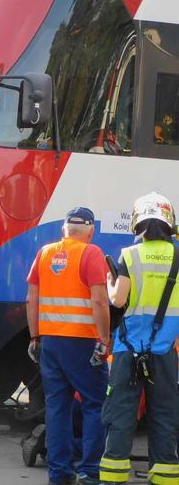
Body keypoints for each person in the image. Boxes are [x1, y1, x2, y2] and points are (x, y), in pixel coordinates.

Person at [26, 207, 111, 485]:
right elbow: (99, 301)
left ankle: (60, 473)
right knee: (94, 404)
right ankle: (89, 470)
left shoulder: (45, 253)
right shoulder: (91, 253)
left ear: (64, 229)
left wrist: (34, 336)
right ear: (90, 230)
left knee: (57, 407)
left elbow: (31, 298)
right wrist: (104, 338)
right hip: (83, 342)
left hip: (50, 341)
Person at [99, 192, 179, 485]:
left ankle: (112, 477)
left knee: (121, 413)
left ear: (137, 222)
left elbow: (118, 301)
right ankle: (165, 477)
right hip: (166, 351)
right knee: (165, 414)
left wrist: (110, 284)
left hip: (128, 350)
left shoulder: (129, 255)